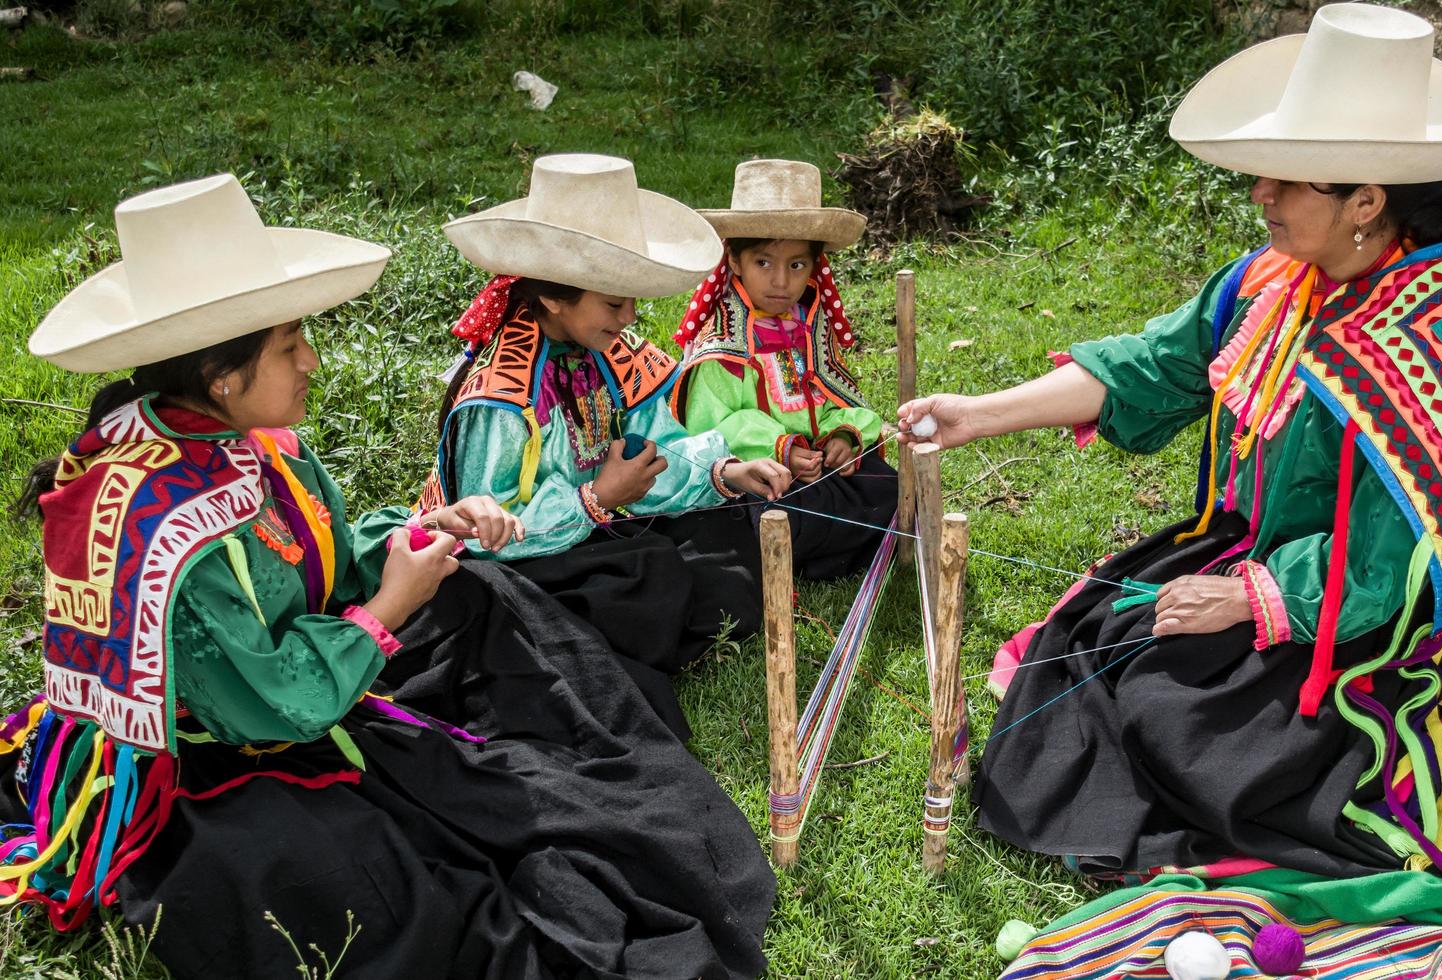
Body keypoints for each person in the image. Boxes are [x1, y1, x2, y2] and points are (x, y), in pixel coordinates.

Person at [3, 173, 775, 978]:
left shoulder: (251, 442)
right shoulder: (168, 528)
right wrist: (388, 606)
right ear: (221, 375)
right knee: (372, 884)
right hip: (207, 757)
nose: (312, 360)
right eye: (288, 345)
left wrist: (423, 530)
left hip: (286, 694)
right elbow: (271, 709)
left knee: (487, 610)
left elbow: (325, 549)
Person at [901, 3, 1442, 913]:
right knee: (1107, 639)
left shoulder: (1421, 343)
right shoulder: (1275, 281)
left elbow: (1402, 554)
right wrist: (981, 413)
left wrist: (1249, 598)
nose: (1260, 195)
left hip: (1380, 616)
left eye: (1284, 182)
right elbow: (1161, 363)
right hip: (1278, 556)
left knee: (1178, 722)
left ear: (1366, 202)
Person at [421, 153, 791, 676]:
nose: (630, 318)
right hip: (528, 557)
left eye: (632, 303)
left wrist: (724, 471)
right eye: (615, 303)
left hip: (597, 530)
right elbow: (487, 532)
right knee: (650, 576)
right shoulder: (501, 396)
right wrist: (596, 499)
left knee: (726, 540)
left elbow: (654, 445)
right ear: (552, 296)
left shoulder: (611, 353)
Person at [672, 159, 898, 579]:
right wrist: (781, 447)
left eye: (796, 265)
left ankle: (818, 554)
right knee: (766, 515)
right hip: (759, 476)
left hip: (815, 469)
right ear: (735, 260)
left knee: (888, 486)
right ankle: (821, 553)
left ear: (814, 267)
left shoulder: (811, 327)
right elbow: (710, 427)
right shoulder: (723, 341)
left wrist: (843, 436)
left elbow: (832, 396)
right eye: (764, 263)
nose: (781, 282)